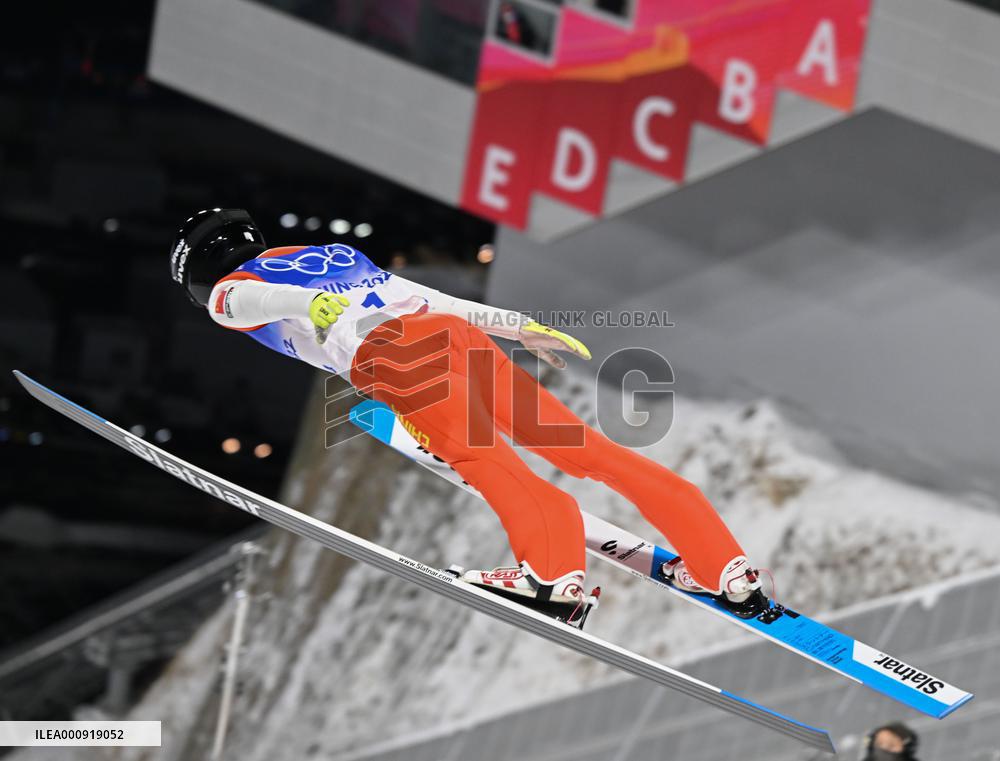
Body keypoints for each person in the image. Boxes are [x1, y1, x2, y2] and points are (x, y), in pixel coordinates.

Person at [169, 208, 765, 625]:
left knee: (486, 462)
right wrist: (516, 325)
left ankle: (555, 581)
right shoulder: (331, 253)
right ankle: (725, 568)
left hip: (397, 356)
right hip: (451, 337)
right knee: (586, 450)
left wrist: (308, 305)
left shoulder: (229, 290)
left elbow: (249, 300)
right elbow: (432, 301)